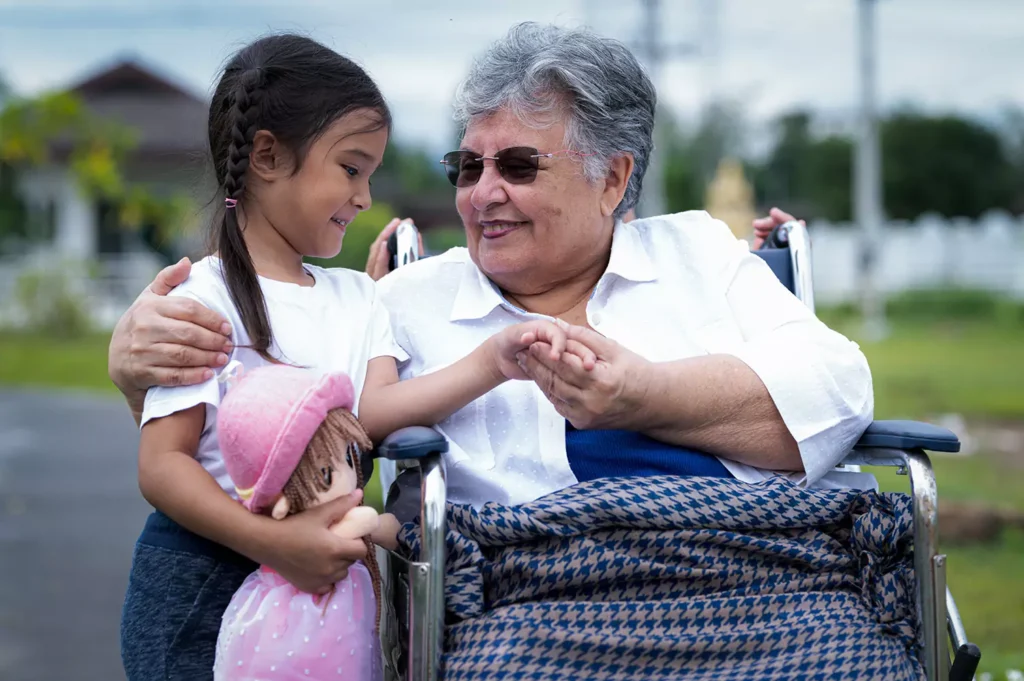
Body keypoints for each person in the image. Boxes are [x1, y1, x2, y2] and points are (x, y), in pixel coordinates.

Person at [108, 18, 872, 610]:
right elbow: (281, 410)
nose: (480, 193)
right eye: (467, 167)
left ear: (613, 179)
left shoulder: (700, 254)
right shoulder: (402, 303)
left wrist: (642, 397)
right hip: (534, 612)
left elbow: (839, 385)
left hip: (764, 585)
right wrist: (136, 364)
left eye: (515, 166)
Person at [118, 32, 583, 681]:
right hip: (205, 571)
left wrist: (491, 362)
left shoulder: (359, 297)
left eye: (370, 173)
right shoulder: (200, 300)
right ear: (267, 156)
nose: (364, 197)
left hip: (326, 585)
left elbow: (378, 412)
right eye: (350, 168)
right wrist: (274, 544)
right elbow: (163, 467)